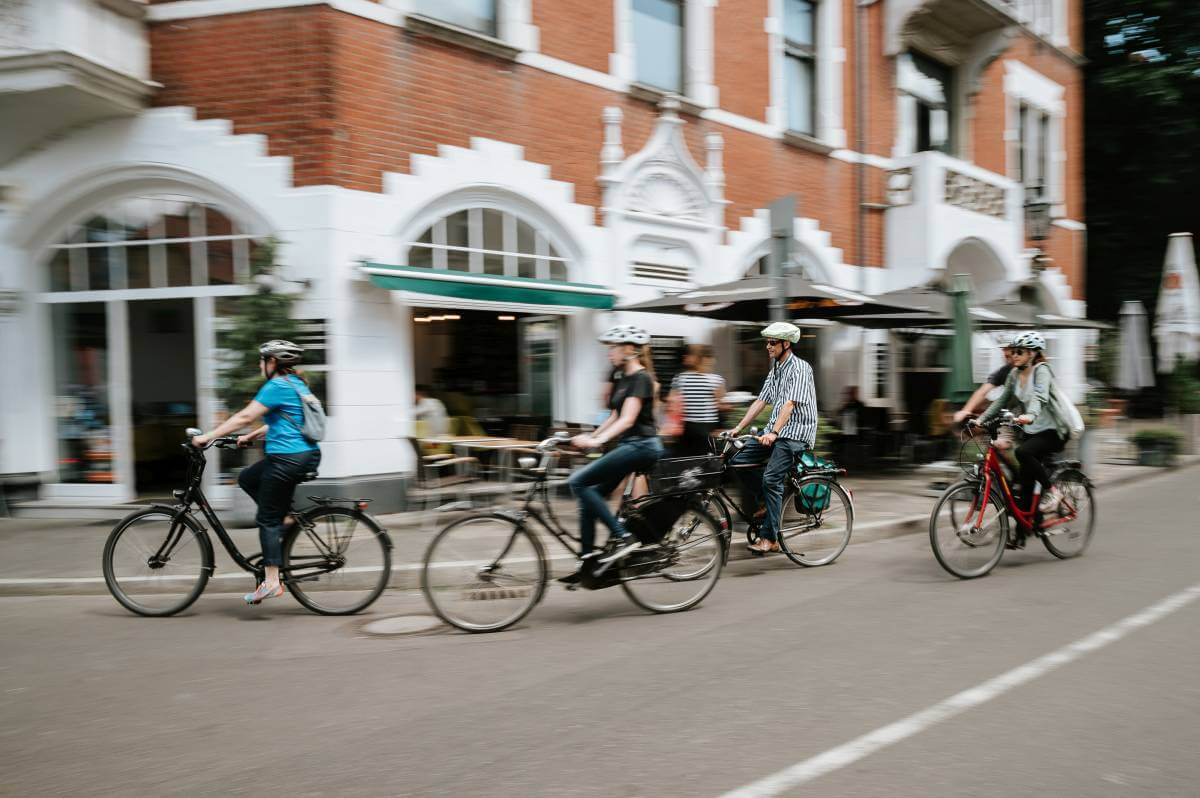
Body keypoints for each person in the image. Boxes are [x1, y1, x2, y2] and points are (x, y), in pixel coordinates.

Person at [191, 340, 321, 604]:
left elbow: (244, 416)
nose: (261, 365)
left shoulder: (276, 386)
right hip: (303, 455)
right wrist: (251, 436)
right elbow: (285, 421)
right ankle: (285, 519)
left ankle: (272, 581)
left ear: (272, 363)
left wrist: (208, 436)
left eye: (262, 361)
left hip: (288, 459)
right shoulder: (296, 384)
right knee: (248, 478)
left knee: (266, 519)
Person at [561, 324, 665, 584]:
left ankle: (623, 537)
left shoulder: (642, 378)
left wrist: (597, 443)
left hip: (642, 446)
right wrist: (593, 436)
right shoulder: (623, 377)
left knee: (578, 482)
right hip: (630, 446)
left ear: (629, 349)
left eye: (613, 348)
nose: (610, 353)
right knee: (591, 492)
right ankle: (588, 562)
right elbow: (615, 415)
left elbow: (629, 420)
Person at [727, 322, 819, 554]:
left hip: (796, 432)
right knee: (738, 461)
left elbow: (789, 404)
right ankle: (766, 503)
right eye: (766, 342)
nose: (767, 346)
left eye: (772, 342)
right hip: (777, 431)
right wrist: (737, 427)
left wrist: (774, 433)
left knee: (771, 479)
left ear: (786, 344)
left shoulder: (800, 368)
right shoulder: (776, 369)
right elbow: (761, 400)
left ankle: (770, 538)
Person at [975, 331, 1070, 521]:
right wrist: (981, 419)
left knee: (1023, 453)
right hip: (1031, 431)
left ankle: (1053, 492)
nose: (1014, 355)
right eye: (1013, 352)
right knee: (1025, 483)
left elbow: (1040, 396)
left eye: (1019, 351)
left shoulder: (1042, 370)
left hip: (1052, 431)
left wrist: (1030, 415)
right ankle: (1024, 529)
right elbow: (1002, 400)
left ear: (1032, 354)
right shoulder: (1014, 374)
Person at [668, 344, 727, 456]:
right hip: (707, 426)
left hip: (687, 426)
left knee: (684, 458)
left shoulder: (680, 378)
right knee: (706, 459)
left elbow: (672, 401)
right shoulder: (716, 380)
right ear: (710, 360)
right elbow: (720, 406)